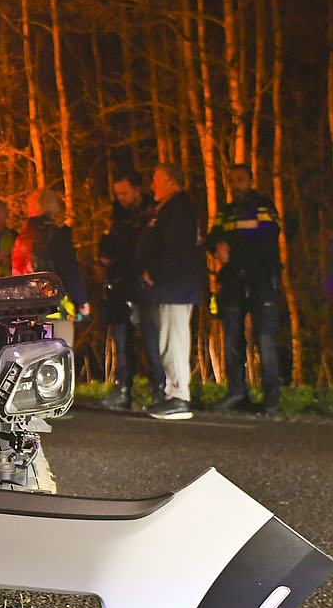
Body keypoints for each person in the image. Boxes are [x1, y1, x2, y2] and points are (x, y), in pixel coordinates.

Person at [207, 163, 286, 415]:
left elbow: (268, 240)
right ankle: (236, 393)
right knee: (232, 339)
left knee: (265, 340)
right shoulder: (226, 211)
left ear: (250, 181)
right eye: (232, 181)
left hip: (262, 281)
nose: (235, 185)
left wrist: (235, 250)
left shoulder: (264, 206)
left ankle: (272, 399)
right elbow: (212, 236)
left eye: (240, 180)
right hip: (232, 283)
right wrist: (217, 244)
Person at [134, 162, 204, 420]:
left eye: (157, 179)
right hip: (168, 289)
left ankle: (179, 397)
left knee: (173, 342)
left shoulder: (179, 209)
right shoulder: (168, 209)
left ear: (172, 182)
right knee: (167, 342)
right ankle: (173, 395)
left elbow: (178, 249)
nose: (152, 185)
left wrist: (154, 272)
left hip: (174, 289)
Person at [96, 172, 161, 409]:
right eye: (117, 194)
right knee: (121, 343)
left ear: (137, 189)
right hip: (121, 286)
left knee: (153, 342)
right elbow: (106, 249)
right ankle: (123, 389)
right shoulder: (116, 216)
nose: (120, 198)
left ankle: (159, 391)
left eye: (124, 193)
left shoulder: (153, 212)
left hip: (146, 286)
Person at [12, 187, 88, 341]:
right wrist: (81, 300)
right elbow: (69, 271)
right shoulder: (57, 236)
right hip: (55, 310)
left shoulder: (22, 238)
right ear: (54, 207)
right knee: (60, 356)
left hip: (27, 313)